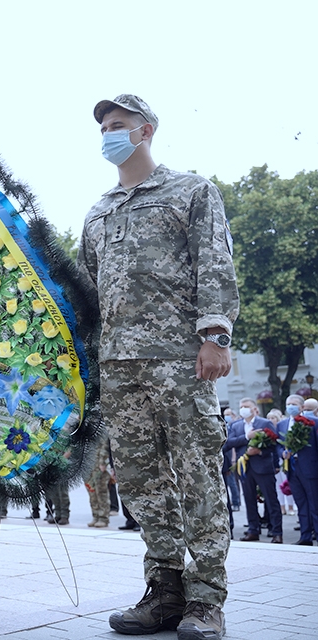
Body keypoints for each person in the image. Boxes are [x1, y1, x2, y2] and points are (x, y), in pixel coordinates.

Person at [79, 95, 238, 640]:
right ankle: (165, 590)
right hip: (119, 367)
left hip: (180, 359)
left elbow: (214, 263)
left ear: (145, 130)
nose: (108, 134)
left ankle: (207, 598)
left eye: (118, 125)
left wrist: (214, 336)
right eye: (103, 127)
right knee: (143, 483)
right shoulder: (98, 211)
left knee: (197, 475)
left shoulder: (190, 191)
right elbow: (90, 295)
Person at [223, 398, 282, 543]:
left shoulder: (264, 423)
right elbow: (228, 443)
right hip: (245, 468)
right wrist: (246, 437)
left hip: (263, 467)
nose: (244, 409)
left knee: (271, 500)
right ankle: (253, 530)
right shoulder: (235, 425)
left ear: (254, 408)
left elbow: (273, 445)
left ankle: (276, 532)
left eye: (247, 406)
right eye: (241, 406)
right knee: (249, 500)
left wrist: (260, 452)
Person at [277, 395, 318, 545]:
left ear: (301, 407)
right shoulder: (282, 424)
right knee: (301, 504)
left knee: (314, 504)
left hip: (309, 468)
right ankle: (305, 536)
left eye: (293, 404)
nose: (290, 407)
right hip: (292, 469)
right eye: (288, 404)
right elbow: (278, 445)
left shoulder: (312, 423)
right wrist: (282, 453)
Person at [85, 434, 111, 528]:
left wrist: (103, 461)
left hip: (99, 465)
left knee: (101, 492)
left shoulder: (100, 426)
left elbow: (105, 445)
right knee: (91, 491)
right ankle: (95, 515)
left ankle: (103, 517)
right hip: (88, 464)